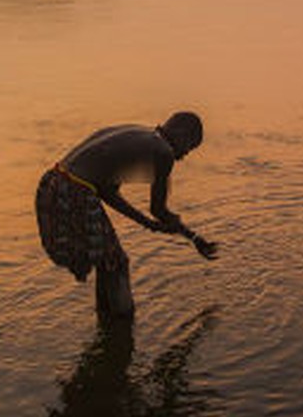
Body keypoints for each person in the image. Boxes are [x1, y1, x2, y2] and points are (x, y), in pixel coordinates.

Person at [35, 111, 217, 319]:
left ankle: (107, 322)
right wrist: (191, 236)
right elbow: (159, 211)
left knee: (108, 260)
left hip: (52, 182)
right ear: (182, 134)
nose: (184, 156)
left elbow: (107, 192)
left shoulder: (140, 135)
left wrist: (150, 224)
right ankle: (122, 323)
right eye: (189, 147)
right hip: (74, 191)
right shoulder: (164, 152)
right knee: (116, 262)